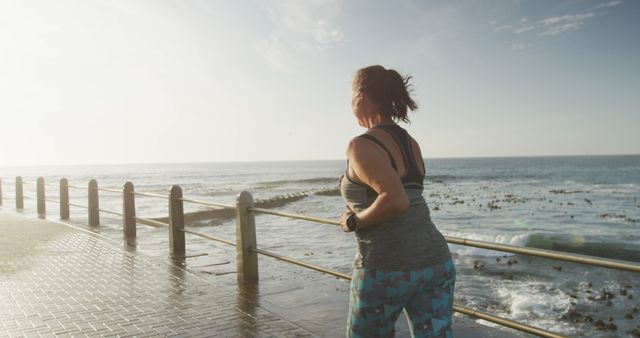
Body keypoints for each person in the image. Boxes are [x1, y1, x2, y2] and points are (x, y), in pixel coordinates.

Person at [339, 65, 455, 338]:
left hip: (387, 267)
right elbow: (406, 194)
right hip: (435, 263)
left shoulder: (361, 145)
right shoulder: (410, 142)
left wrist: (353, 221)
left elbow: (396, 200)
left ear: (361, 96)